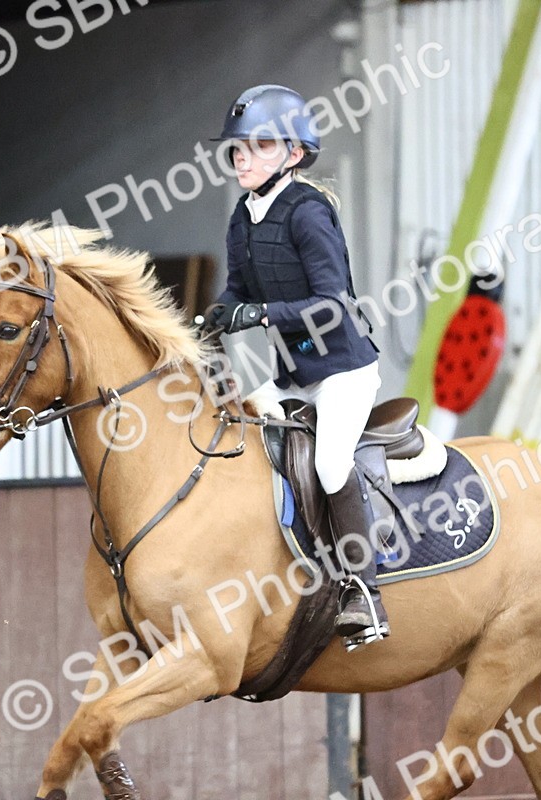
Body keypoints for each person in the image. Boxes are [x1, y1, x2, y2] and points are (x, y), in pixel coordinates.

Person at [205, 84, 391, 647]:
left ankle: (365, 592)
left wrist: (259, 316)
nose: (243, 158)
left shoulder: (309, 213)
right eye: (237, 149)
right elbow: (237, 289)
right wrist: (211, 316)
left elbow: (334, 305)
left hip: (344, 373)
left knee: (333, 465)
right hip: (295, 374)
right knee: (232, 434)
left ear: (292, 154)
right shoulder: (243, 217)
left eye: (258, 147)